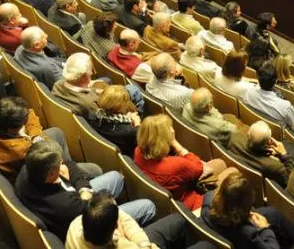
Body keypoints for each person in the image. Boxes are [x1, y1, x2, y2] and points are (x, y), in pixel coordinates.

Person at [15, 139, 156, 237]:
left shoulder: (28, 168)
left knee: (116, 177)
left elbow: (70, 164)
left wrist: (82, 188)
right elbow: (89, 208)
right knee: (148, 206)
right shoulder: (65, 205)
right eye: (59, 163)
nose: (63, 162)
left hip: (75, 197)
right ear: (52, 172)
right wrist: (88, 196)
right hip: (88, 221)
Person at [133, 115, 230, 213]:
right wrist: (175, 143)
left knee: (219, 163)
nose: (172, 131)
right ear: (163, 139)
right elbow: (199, 168)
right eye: (168, 130)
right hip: (192, 204)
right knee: (231, 171)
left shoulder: (138, 152)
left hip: (171, 192)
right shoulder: (174, 165)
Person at [201, 170, 294, 249]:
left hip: (226, 231)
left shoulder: (208, 200)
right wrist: (265, 229)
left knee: (273, 213)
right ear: (246, 202)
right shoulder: (249, 233)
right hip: (239, 238)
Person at [66, 191, 191, 249]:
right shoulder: (122, 245)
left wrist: (142, 242)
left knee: (177, 220)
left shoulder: (76, 224)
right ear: (115, 225)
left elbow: (125, 219)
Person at [226, 122, 294, 189]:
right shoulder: (276, 167)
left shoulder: (235, 139)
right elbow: (291, 182)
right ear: (268, 142)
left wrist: (265, 151)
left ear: (248, 134)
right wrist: (284, 155)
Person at [241, 62, 294, 133]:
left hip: (254, 127)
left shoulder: (248, 93)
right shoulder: (286, 107)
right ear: (276, 81)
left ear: (258, 79)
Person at [88, 85, 141, 155]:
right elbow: (141, 141)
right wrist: (137, 123)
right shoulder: (130, 131)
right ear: (121, 107)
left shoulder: (94, 115)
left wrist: (126, 118)